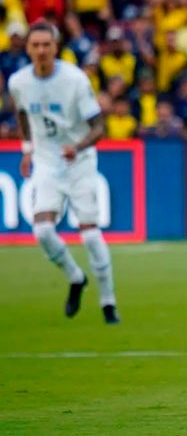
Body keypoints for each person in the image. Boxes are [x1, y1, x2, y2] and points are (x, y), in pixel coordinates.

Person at [8, 22, 119, 324]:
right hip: (46, 161)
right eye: (36, 45)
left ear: (56, 47)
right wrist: (28, 149)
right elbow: (22, 113)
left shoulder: (75, 80)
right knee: (42, 230)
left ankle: (108, 302)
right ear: (28, 48)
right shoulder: (19, 82)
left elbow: (99, 126)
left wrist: (78, 146)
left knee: (91, 236)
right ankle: (75, 277)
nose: (41, 50)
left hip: (80, 162)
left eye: (47, 44)